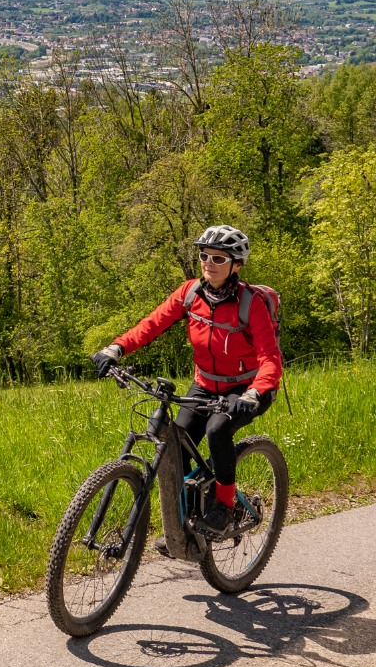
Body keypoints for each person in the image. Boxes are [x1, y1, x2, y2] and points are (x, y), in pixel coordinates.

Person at [91, 224, 281, 536]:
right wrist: (117, 347)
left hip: (245, 389)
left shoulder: (250, 303)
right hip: (205, 384)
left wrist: (255, 393)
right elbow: (153, 323)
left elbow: (270, 357)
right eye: (205, 256)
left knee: (218, 430)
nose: (209, 263)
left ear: (236, 265)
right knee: (174, 448)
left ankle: (224, 505)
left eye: (219, 259)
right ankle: (182, 530)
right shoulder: (191, 293)